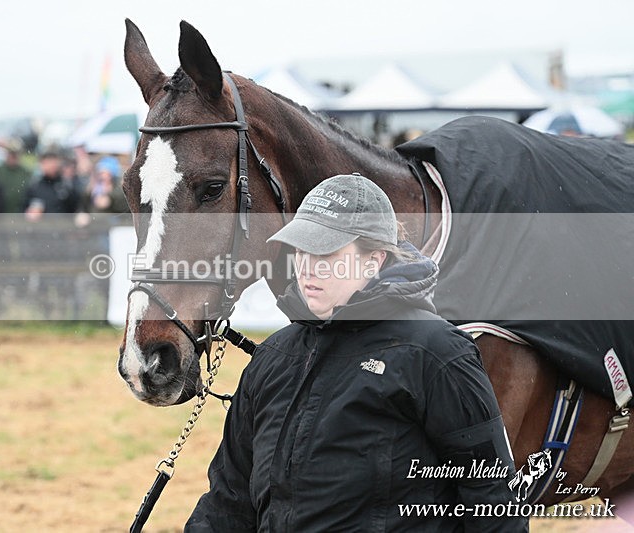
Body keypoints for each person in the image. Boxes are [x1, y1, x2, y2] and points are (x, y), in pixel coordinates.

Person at [186, 174, 525, 531]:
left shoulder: (436, 353)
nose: (307, 266)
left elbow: (492, 498)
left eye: (326, 252)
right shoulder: (273, 357)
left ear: (374, 259)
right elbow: (228, 500)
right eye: (302, 250)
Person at [23, 149, 79, 221]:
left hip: (62, 228)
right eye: (46, 162)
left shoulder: (66, 185)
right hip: (41, 228)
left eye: (53, 162)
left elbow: (76, 209)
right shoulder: (35, 186)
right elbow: (24, 208)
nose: (50, 165)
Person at [0, 140, 31, 212]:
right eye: (11, 153)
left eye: (15, 154)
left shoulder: (26, 173)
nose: (13, 157)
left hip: (19, 214)